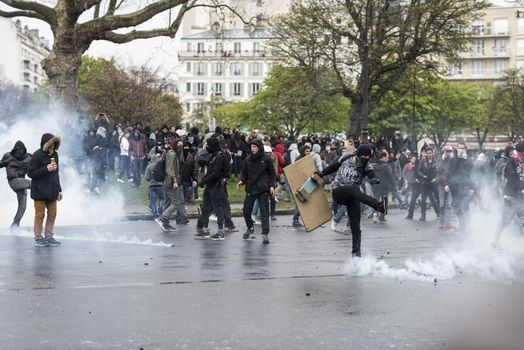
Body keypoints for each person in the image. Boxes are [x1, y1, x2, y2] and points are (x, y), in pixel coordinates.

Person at [316, 144, 386, 257]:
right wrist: (322, 173)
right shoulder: (347, 156)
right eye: (363, 157)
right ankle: (377, 205)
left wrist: (374, 179)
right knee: (355, 188)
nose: (365, 160)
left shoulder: (367, 166)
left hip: (353, 196)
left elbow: (372, 174)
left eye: (368, 158)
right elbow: (334, 166)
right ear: (357, 155)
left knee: (356, 226)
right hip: (339, 191)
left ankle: (356, 254)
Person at [237, 139, 276, 244]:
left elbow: (272, 174)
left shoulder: (266, 159)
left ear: (259, 147)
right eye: (251, 147)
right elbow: (244, 174)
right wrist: (241, 181)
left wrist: (272, 185)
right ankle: (250, 228)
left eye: (254, 146)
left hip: (263, 189)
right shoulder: (247, 160)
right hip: (251, 188)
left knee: (264, 212)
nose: (252, 148)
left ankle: (265, 234)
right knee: (246, 211)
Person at [27, 133, 63, 247]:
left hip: (52, 190)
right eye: (51, 143)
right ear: (46, 143)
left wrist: (60, 190)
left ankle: (49, 236)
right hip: (39, 190)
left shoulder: (55, 155)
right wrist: (46, 169)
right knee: (40, 215)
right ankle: (38, 238)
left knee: (52, 214)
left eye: (54, 143)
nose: (53, 145)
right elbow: (30, 173)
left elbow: (56, 174)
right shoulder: (37, 155)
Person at [195, 137, 230, 240]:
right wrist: (203, 181)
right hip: (210, 185)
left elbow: (216, 174)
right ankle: (205, 230)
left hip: (217, 186)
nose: (207, 148)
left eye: (208, 146)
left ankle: (220, 232)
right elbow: (211, 172)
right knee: (205, 208)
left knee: (218, 208)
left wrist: (204, 181)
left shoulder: (219, 156)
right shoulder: (214, 156)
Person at [494, 142, 524, 246]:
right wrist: (521, 188)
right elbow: (511, 179)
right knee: (504, 222)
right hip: (511, 197)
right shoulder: (512, 162)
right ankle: (495, 243)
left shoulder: (520, 162)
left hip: (520, 198)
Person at [0, 141, 32, 231]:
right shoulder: (8, 156)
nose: (20, 153)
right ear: (14, 151)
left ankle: (14, 226)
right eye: (18, 151)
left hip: (22, 182)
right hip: (13, 181)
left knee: (23, 206)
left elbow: (34, 169)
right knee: (34, 184)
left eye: (22, 151)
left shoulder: (29, 157)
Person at [155, 139, 180, 232]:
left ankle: (165, 224)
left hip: (166, 181)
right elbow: (170, 169)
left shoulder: (169, 153)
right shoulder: (172, 154)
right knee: (175, 203)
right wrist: (174, 181)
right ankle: (162, 218)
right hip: (169, 182)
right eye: (179, 145)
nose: (180, 147)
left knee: (167, 202)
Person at [436, 145, 455, 229]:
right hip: (441, 184)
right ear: (444, 152)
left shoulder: (453, 161)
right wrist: (442, 160)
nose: (448, 153)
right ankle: (441, 223)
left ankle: (447, 223)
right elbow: (438, 171)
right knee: (442, 203)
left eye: (450, 151)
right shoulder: (440, 160)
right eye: (447, 151)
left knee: (448, 204)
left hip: (450, 184)